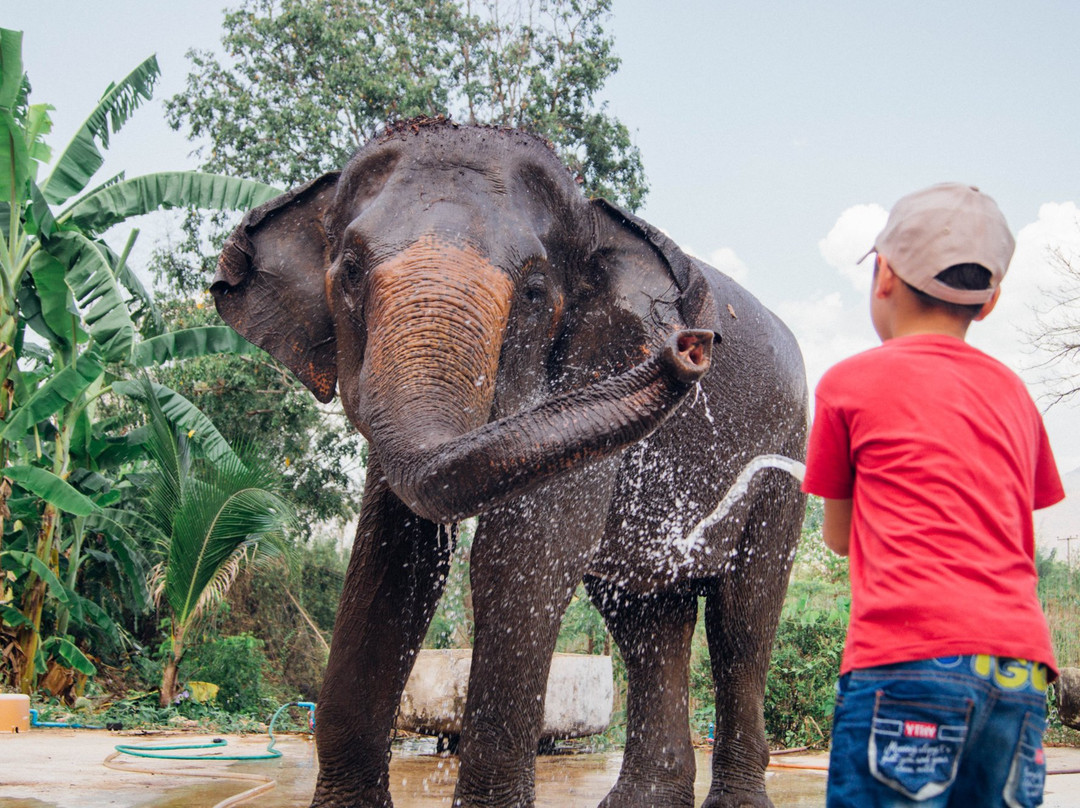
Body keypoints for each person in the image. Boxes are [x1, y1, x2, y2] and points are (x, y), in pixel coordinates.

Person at [802, 182, 1065, 807]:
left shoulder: (848, 384)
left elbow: (838, 538)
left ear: (884, 273)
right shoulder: (1016, 397)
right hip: (1020, 669)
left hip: (906, 662)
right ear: (991, 300)